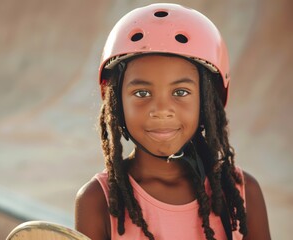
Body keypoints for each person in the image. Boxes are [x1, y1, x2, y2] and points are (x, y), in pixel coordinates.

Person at [75, 3, 270, 240]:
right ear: (116, 103)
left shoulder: (242, 192)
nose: (161, 110)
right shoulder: (98, 200)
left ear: (208, 101)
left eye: (180, 92)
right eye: (142, 94)